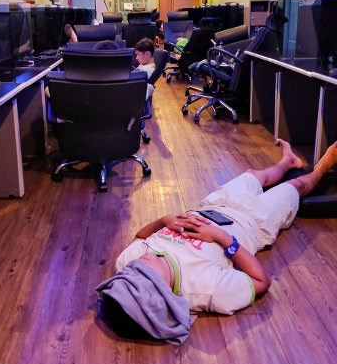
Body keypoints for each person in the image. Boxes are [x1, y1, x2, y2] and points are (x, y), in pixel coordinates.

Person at [96, 139, 337, 344]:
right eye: (143, 272)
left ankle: (288, 162)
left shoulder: (128, 263)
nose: (140, 262)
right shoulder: (207, 289)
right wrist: (223, 239)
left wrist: (164, 220)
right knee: (295, 186)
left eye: (130, 272)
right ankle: (323, 165)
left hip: (214, 205)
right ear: (161, 292)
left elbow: (140, 237)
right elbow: (260, 281)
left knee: (253, 176)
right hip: (254, 222)